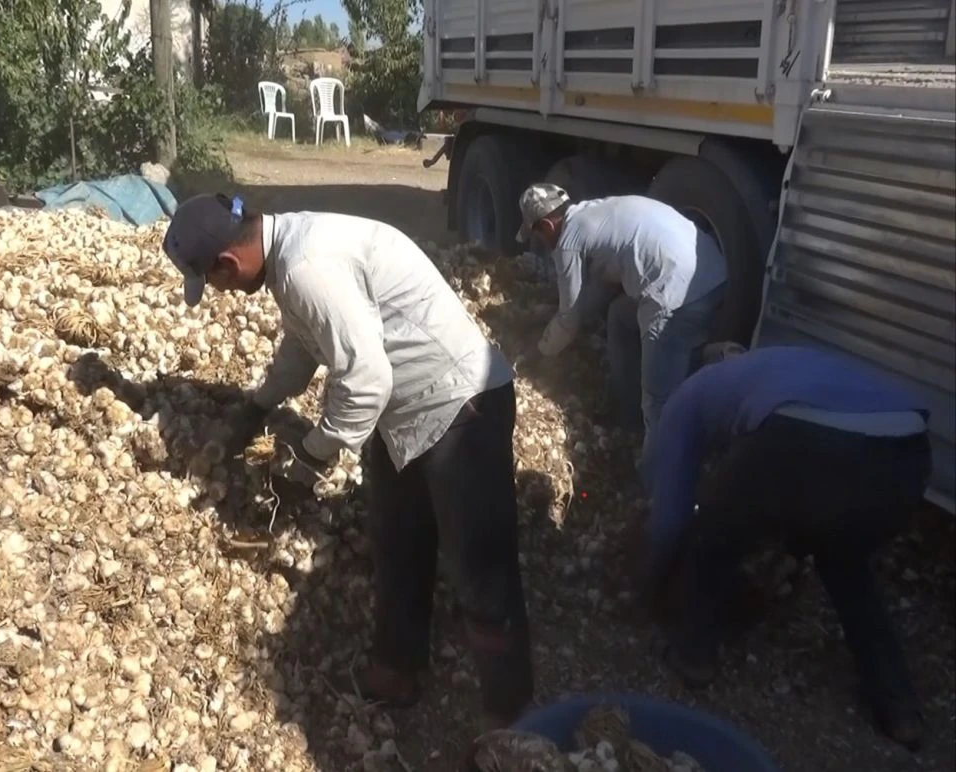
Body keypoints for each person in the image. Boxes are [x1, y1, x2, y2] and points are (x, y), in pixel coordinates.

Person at [161, 193, 535, 728]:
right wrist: (259, 405)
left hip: (460, 404)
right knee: (397, 538)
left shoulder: (306, 265)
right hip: (405, 408)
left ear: (228, 263)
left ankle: (511, 723)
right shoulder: (287, 249)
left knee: (480, 568)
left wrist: (310, 461)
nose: (221, 294)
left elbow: (366, 380)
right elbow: (306, 342)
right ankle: (396, 672)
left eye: (214, 283)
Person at [638, 343, 933, 749]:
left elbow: (671, 511)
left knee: (712, 539)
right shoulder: (785, 364)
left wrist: (652, 583)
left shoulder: (693, 392)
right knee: (847, 567)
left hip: (807, 438)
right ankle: (900, 710)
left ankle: (693, 655)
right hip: (907, 456)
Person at [516, 183, 728, 457]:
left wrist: (541, 352)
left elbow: (569, 319)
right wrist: (563, 313)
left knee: (658, 404)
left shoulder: (568, 239)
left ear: (546, 225)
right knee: (619, 316)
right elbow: (597, 291)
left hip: (676, 295)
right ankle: (628, 417)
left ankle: (654, 483)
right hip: (714, 274)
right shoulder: (595, 214)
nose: (541, 241)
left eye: (537, 233)